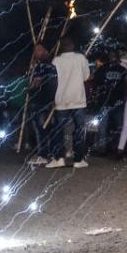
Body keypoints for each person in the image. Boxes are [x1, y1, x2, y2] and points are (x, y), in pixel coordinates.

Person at [45, 38, 90, 169]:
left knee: (59, 130)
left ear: (61, 47)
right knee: (79, 130)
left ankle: (60, 158)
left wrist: (52, 99)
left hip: (61, 99)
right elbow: (86, 77)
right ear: (72, 45)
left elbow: (52, 80)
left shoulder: (56, 60)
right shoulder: (81, 58)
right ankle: (78, 159)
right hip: (78, 99)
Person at [90, 51, 126, 155]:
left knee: (118, 126)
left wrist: (121, 98)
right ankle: (102, 148)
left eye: (114, 56)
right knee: (102, 126)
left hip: (117, 102)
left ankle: (117, 147)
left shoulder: (122, 70)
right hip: (104, 102)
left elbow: (124, 86)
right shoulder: (102, 69)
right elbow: (96, 83)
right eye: (111, 56)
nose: (112, 58)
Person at [28, 43, 56, 166]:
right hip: (50, 100)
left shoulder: (41, 67)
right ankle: (48, 153)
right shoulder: (52, 66)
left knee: (41, 129)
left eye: (39, 50)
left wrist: (29, 89)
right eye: (35, 50)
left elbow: (36, 84)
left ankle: (43, 155)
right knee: (47, 128)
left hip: (40, 101)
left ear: (46, 51)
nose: (36, 52)